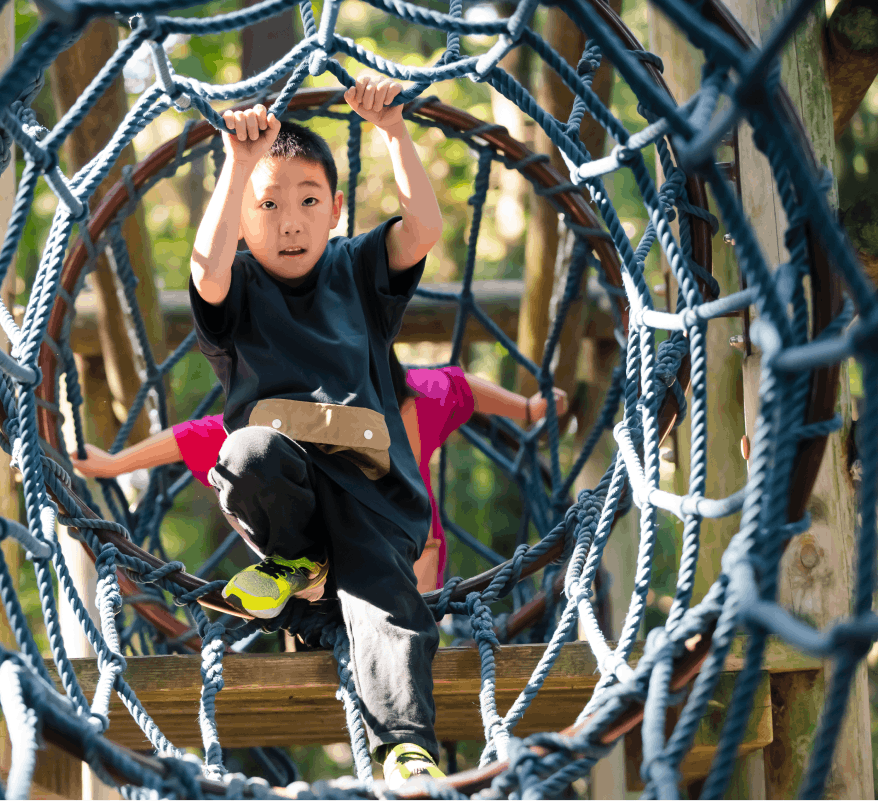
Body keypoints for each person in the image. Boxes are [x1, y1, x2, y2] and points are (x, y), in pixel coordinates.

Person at [182, 75, 447, 787]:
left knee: (384, 605)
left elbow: (422, 227)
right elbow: (202, 269)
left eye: (306, 202)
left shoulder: (356, 268)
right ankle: (297, 563)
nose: (289, 221)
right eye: (266, 206)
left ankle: (405, 745)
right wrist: (238, 162)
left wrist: (393, 130)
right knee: (247, 452)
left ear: (334, 209)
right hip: (288, 505)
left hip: (369, 498)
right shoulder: (236, 286)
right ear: (241, 218)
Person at [72, 349, 568, 594]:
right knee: (310, 569)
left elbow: (464, 385)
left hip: (410, 539)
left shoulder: (426, 398)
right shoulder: (309, 417)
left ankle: (413, 632)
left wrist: (528, 408)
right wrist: (115, 464)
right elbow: (197, 435)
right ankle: (314, 616)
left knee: (416, 572)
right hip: (329, 548)